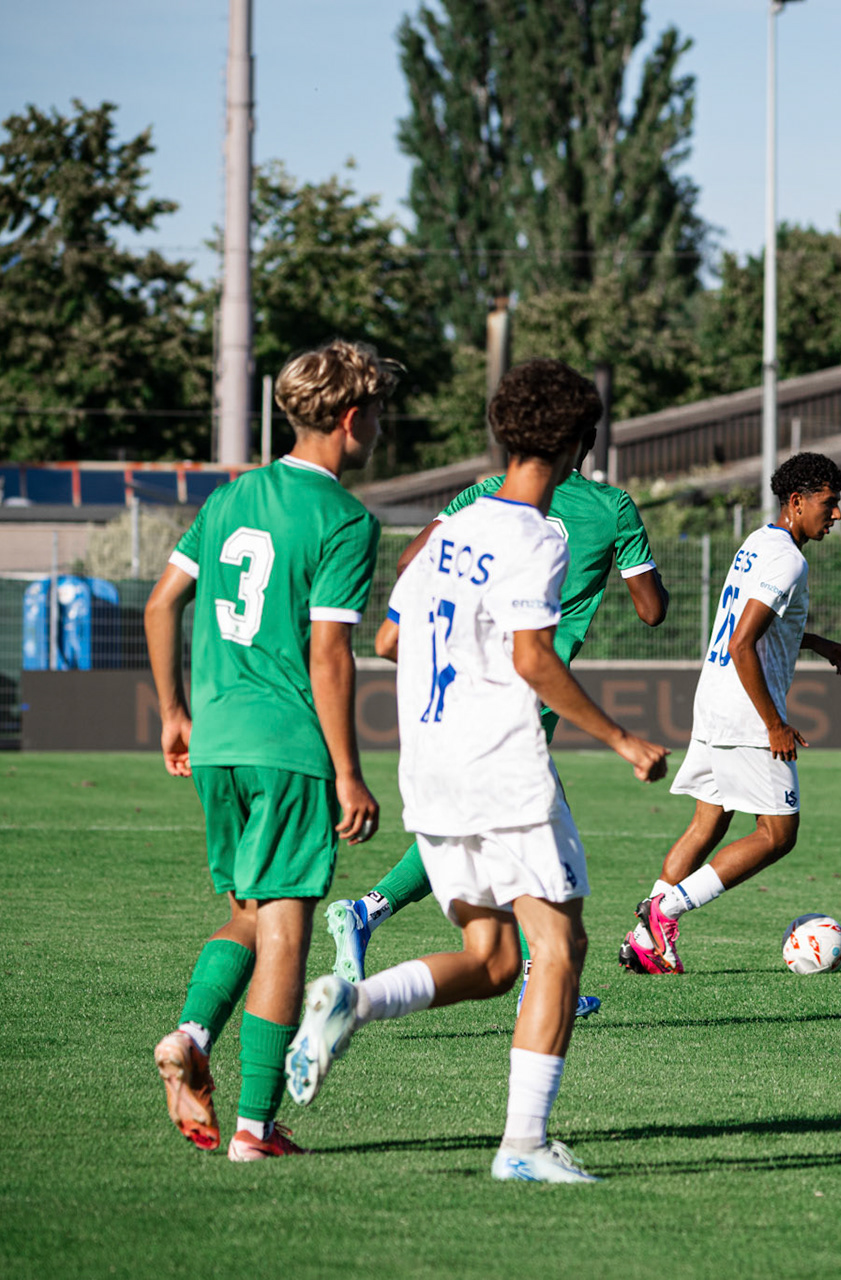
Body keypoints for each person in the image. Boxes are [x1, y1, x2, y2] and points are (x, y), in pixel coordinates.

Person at [282, 359, 670, 1184]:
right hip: (503, 768)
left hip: (431, 770)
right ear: (578, 444)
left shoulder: (443, 535)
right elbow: (534, 655)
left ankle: (356, 1000)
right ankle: (523, 1148)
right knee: (559, 946)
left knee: (495, 959)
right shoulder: (543, 536)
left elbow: (386, 642)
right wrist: (621, 738)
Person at [323, 413, 669, 1021]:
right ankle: (537, 982)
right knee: (545, 871)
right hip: (527, 692)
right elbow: (652, 611)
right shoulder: (611, 506)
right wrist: (629, 561)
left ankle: (366, 915)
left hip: (458, 694)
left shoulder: (482, 495)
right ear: (584, 443)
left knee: (485, 846)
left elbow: (411, 567)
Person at [146, 339, 393, 1161]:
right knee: (287, 922)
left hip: (215, 740)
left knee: (253, 910)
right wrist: (350, 772)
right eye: (379, 414)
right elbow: (329, 655)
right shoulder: (346, 520)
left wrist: (174, 713)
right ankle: (254, 1128)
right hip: (288, 745)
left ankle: (190, 1035)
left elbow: (161, 604)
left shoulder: (232, 497)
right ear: (352, 421)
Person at [620, 453, 841, 975]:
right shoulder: (789, 559)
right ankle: (665, 911)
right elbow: (743, 642)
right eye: (829, 503)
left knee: (710, 820)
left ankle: (642, 939)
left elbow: (755, 625)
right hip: (746, 712)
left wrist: (813, 642)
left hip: (715, 699)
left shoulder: (759, 542)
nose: (835, 515)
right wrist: (774, 723)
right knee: (777, 834)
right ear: (798, 501)